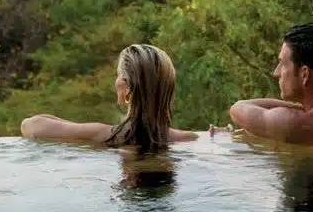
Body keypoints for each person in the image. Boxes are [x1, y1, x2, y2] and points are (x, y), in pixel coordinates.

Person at [20, 44, 198, 150]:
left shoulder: (104, 135)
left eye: (118, 75)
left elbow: (31, 125)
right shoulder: (187, 138)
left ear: (126, 86)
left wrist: (77, 129)